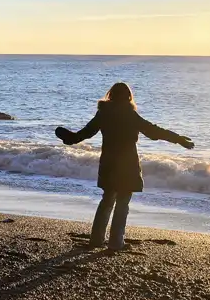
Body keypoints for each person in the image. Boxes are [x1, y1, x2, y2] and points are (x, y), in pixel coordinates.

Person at [55, 82, 195, 250]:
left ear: (110, 96)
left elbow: (83, 134)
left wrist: (68, 138)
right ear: (129, 97)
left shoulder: (103, 114)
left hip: (108, 164)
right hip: (128, 165)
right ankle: (116, 242)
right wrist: (178, 139)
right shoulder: (130, 114)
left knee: (107, 201)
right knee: (122, 203)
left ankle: (96, 240)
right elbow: (153, 131)